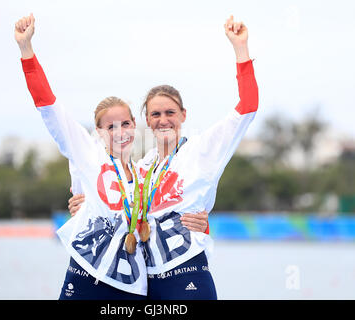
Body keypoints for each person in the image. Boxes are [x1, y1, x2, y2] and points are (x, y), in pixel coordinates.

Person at [14, 13, 210, 300]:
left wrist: (203, 221)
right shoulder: (88, 155)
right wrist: (26, 50)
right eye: (111, 126)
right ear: (99, 131)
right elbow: (48, 107)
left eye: (126, 124)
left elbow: (175, 206)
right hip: (86, 277)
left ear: (135, 124)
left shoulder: (145, 170)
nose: (120, 132)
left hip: (133, 286)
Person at [69, 15, 259, 300]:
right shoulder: (142, 166)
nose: (163, 120)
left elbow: (248, 107)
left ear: (184, 115)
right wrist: (86, 206)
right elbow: (117, 203)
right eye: (155, 114)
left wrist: (240, 49)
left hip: (188, 275)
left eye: (170, 112)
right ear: (146, 119)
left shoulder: (203, 148)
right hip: (146, 280)